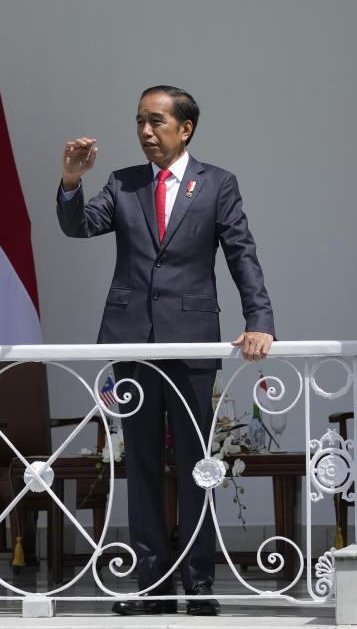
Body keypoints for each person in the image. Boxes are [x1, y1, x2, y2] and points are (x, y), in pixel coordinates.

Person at [56, 86, 275, 616]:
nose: (146, 132)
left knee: (198, 463)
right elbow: (79, 225)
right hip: (133, 343)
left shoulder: (218, 184)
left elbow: (240, 254)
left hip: (193, 341)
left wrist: (259, 321)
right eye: (139, 122)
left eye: (156, 122)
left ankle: (199, 581)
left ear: (186, 128)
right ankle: (151, 584)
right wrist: (70, 181)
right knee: (145, 463)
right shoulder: (124, 183)